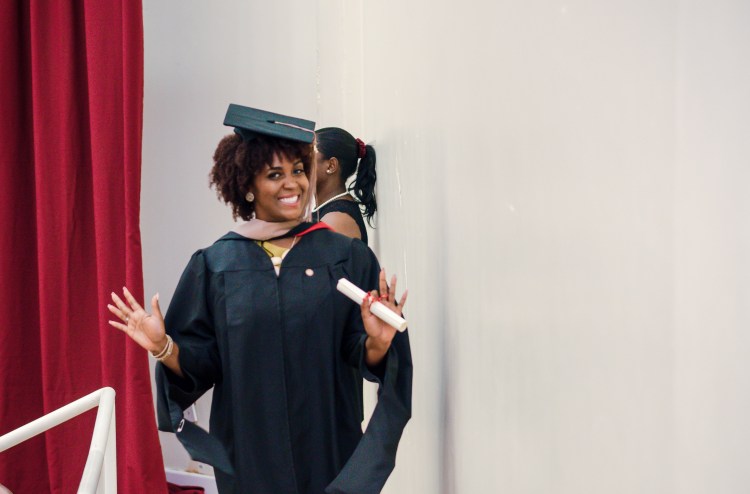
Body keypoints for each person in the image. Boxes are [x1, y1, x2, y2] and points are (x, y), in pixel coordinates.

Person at [107, 104, 412, 494]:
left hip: (328, 447)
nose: (292, 184)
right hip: (251, 455)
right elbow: (205, 363)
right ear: (248, 186)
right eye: (275, 174)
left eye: (298, 170)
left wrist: (378, 342)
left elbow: (362, 354)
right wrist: (164, 347)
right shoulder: (216, 265)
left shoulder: (345, 257)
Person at [313, 127, 376, 244]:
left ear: (331, 166)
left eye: (307, 157)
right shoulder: (327, 211)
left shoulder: (335, 220)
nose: (298, 164)